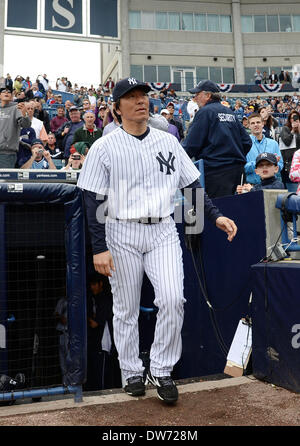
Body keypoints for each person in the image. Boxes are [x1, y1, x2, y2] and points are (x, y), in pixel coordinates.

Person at [77, 77, 238, 404]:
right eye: (132, 96)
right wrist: (99, 248)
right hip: (121, 230)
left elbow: (191, 186)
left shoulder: (167, 141)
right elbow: (91, 200)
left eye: (143, 95)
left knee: (173, 299)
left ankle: (161, 369)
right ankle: (131, 371)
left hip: (162, 228)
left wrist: (215, 215)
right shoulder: (104, 146)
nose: (141, 101)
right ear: (116, 107)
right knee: (125, 308)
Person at [183, 80, 252, 198]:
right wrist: (233, 156)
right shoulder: (230, 112)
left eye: (197, 94)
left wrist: (176, 160)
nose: (195, 98)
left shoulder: (204, 112)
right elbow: (247, 142)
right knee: (237, 212)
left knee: (219, 213)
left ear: (208, 95)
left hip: (216, 174)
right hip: (238, 173)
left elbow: (191, 145)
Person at [244, 113, 283, 185]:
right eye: (253, 123)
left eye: (258, 122)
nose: (256, 125)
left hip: (271, 186)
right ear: (249, 126)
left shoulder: (273, 143)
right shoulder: (243, 144)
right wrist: (260, 162)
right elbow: (243, 168)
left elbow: (280, 166)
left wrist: (274, 163)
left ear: (262, 124)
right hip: (252, 186)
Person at [0, 86, 31, 168]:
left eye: (9, 92)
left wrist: (24, 114)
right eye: (3, 91)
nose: (6, 93)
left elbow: (26, 125)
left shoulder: (16, 108)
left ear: (12, 96)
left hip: (7, 154)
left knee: (4, 180)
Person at [279, 110, 300, 186]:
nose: (294, 119)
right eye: (292, 118)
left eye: (296, 118)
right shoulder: (285, 129)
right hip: (289, 165)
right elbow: (287, 142)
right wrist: (293, 131)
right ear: (289, 119)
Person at [54, 296, 69, 384]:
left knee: (70, 361)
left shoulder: (77, 300)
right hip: (62, 333)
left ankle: (72, 385)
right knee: (63, 362)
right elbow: (55, 314)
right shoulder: (62, 300)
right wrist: (60, 317)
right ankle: (65, 384)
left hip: (72, 334)